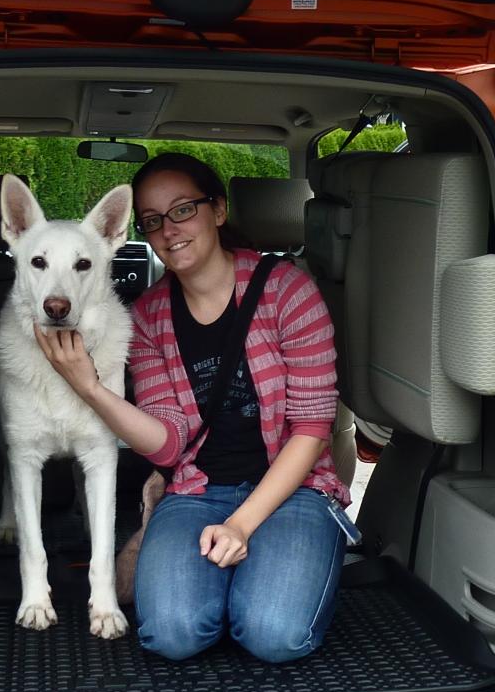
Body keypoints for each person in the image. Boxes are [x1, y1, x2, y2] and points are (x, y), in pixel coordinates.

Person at [34, 152, 350, 662]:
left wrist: (242, 526)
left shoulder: (290, 291)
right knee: (171, 635)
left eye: (183, 210)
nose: (168, 230)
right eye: (153, 221)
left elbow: (311, 428)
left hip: (295, 490)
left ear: (218, 211)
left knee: (274, 633)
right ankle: (227, 581)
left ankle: (263, 580)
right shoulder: (148, 317)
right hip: (197, 491)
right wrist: (90, 388)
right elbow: (168, 441)